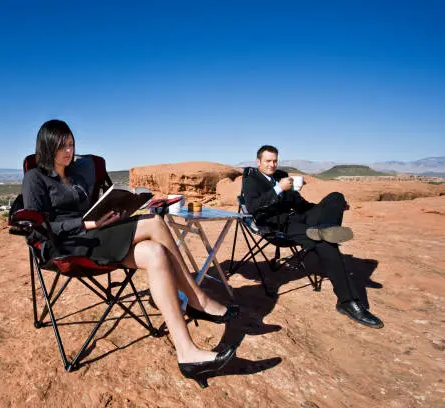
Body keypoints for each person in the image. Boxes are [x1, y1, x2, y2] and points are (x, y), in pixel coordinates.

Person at [21, 119, 239, 387]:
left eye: (71, 144)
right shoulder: (35, 178)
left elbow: (94, 210)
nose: (69, 151)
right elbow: (38, 228)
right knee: (155, 222)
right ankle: (198, 300)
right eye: (61, 146)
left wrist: (111, 214)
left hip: (96, 235)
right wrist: (85, 223)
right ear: (47, 146)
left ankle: (187, 354)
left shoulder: (76, 174)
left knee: (156, 252)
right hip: (69, 245)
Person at [242, 145, 384, 329]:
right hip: (278, 225)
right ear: (258, 162)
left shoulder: (281, 175)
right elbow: (253, 207)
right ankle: (347, 301)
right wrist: (278, 189)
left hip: (298, 217)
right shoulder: (251, 180)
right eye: (268, 161)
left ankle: (325, 227)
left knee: (335, 197)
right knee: (326, 244)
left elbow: (300, 204)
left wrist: (328, 209)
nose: (272, 164)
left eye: (275, 160)